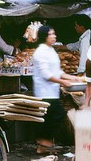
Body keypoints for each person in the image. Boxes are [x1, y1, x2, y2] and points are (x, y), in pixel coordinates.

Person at [31, 25, 77, 153]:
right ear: (45, 36)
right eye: (52, 34)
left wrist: (72, 78)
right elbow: (46, 74)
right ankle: (43, 143)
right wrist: (63, 82)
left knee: (51, 118)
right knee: (57, 115)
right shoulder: (40, 52)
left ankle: (44, 144)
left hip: (52, 91)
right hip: (44, 92)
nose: (54, 36)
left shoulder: (51, 50)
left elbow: (57, 71)